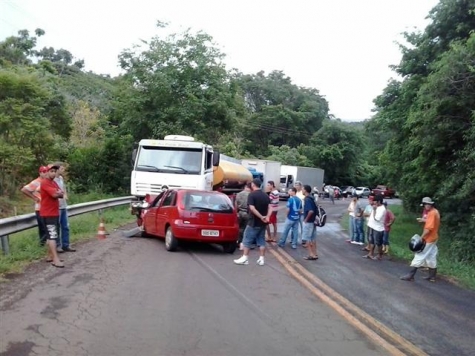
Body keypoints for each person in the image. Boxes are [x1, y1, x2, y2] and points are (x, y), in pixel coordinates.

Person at [401, 197, 440, 282]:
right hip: (434, 237)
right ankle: (432, 276)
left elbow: (429, 228)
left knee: (419, 255)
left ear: (430, 204)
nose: (425, 206)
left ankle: (411, 275)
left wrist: (421, 238)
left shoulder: (431, 213)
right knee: (431, 256)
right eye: (425, 204)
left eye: (427, 204)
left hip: (429, 238)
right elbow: (432, 222)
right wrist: (424, 220)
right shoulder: (435, 211)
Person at [234, 179, 271, 266]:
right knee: (261, 241)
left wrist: (261, 217)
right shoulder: (265, 195)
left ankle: (245, 258)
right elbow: (270, 207)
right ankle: (261, 259)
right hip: (263, 223)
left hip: (253, 222)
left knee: (247, 240)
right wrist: (267, 217)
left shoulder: (252, 195)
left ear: (253, 185)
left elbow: (252, 208)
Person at [40, 164, 65, 268]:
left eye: (55, 171)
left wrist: (58, 193)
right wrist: (58, 193)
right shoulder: (45, 183)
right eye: (51, 171)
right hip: (48, 214)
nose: (53, 173)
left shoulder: (53, 183)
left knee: (52, 235)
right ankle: (55, 259)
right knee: (52, 236)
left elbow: (62, 193)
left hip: (54, 212)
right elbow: (55, 195)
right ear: (46, 172)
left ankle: (50, 256)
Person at [21, 166, 49, 246]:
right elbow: (24, 189)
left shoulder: (48, 181)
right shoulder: (36, 182)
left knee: (47, 227)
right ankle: (43, 244)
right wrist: (34, 198)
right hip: (39, 208)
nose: (45, 173)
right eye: (44, 172)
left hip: (47, 207)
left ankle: (46, 244)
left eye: (46, 171)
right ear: (40, 173)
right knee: (43, 228)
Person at [54, 162, 76, 252]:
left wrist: (65, 195)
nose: (63, 171)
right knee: (57, 227)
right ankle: (58, 245)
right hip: (57, 207)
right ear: (58, 169)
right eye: (62, 169)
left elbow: (63, 188)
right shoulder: (53, 179)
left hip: (63, 206)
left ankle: (66, 245)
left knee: (65, 226)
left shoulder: (61, 178)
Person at [363, 194, 386, 260]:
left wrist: (375, 210)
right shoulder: (375, 206)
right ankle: (370, 254)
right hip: (371, 226)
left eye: (375, 201)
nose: (374, 202)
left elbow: (377, 219)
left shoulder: (382, 209)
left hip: (378, 228)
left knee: (378, 243)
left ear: (379, 201)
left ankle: (380, 255)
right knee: (371, 241)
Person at [302, 185, 318, 260]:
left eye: (302, 189)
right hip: (313, 221)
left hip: (309, 222)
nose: (302, 190)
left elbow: (310, 211)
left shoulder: (307, 199)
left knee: (307, 239)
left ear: (305, 190)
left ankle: (311, 254)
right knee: (313, 238)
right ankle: (315, 253)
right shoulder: (312, 198)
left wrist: (305, 220)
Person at [235, 182, 251, 250]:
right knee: (246, 229)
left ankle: (238, 241)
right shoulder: (250, 195)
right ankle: (244, 243)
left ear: (245, 187)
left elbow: (236, 205)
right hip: (247, 213)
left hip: (240, 212)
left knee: (239, 228)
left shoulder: (238, 194)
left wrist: (237, 212)